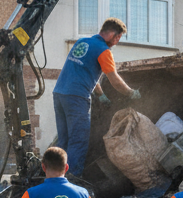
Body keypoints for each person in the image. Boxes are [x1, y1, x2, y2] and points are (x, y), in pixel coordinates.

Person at [53, 17, 141, 171]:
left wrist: (101, 95)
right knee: (78, 141)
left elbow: (87, 74)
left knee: (64, 141)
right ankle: (72, 180)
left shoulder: (82, 42)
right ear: (114, 34)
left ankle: (55, 177)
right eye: (118, 38)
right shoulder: (104, 51)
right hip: (77, 98)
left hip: (60, 94)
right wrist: (131, 93)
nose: (117, 42)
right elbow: (114, 80)